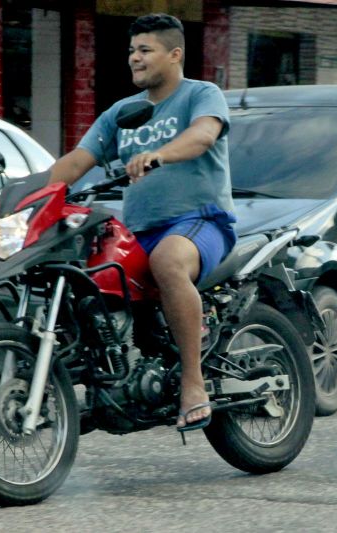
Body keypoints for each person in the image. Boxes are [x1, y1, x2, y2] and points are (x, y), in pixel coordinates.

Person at [48, 13, 235, 434]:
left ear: (175, 54)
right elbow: (78, 162)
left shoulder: (200, 94)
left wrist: (160, 154)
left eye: (145, 50)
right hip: (140, 232)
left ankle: (193, 385)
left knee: (168, 261)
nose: (134, 58)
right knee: (82, 275)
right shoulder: (121, 113)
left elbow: (204, 135)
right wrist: (27, 196)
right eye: (132, 51)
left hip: (200, 222)